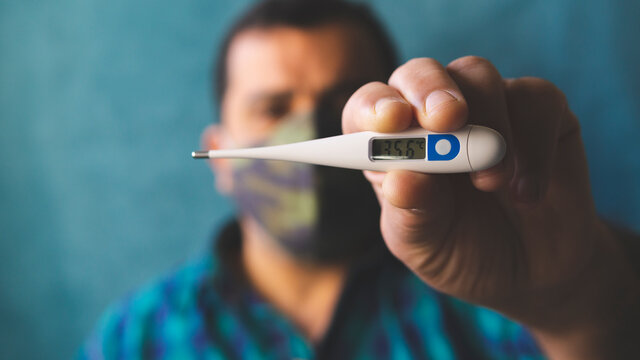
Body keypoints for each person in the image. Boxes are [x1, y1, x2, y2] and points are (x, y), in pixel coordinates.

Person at [79, 0, 639, 358]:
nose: (306, 128)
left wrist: (575, 303)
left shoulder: (490, 299)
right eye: (274, 108)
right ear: (220, 156)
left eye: (337, 102)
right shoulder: (139, 339)